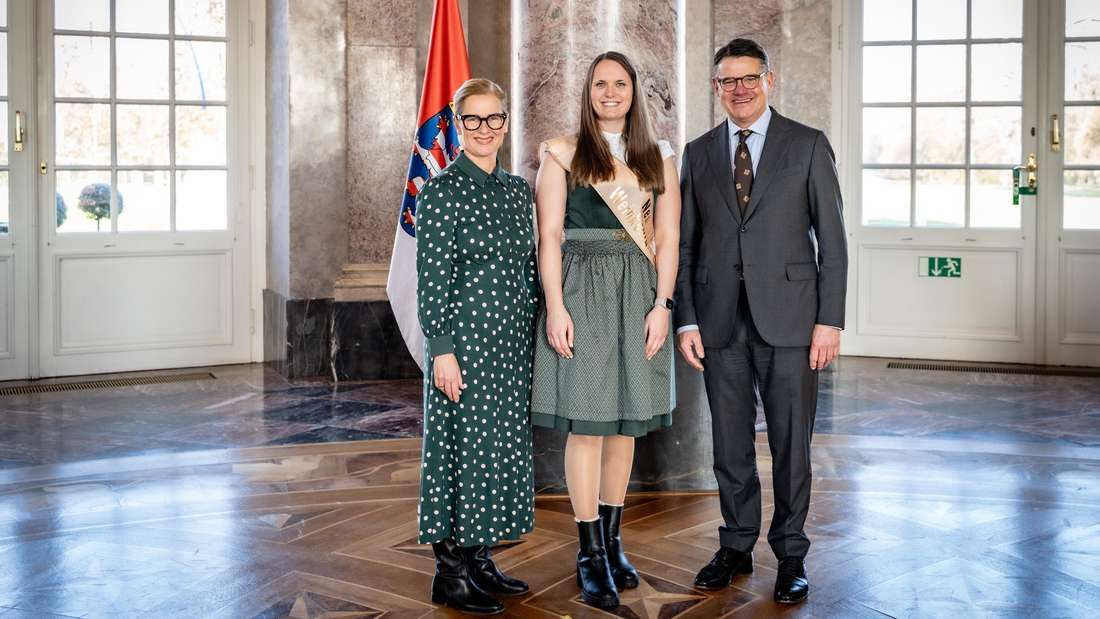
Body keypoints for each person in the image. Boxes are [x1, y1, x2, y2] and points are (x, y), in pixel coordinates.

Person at [675, 38, 847, 605]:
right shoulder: (698, 152)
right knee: (729, 445)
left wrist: (829, 320)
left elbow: (833, 241)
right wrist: (687, 320)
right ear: (716, 88)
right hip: (719, 321)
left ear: (769, 80)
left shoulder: (808, 144)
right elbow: (687, 245)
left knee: (791, 445)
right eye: (728, 80)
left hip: (793, 321)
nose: (740, 89)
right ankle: (736, 544)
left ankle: (791, 553)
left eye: (750, 78)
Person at [531, 51, 681, 609]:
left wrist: (662, 305)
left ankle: (615, 544)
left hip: (638, 292)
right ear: (588, 91)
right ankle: (589, 552)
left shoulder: (658, 156)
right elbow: (549, 236)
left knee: (624, 426)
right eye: (600, 83)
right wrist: (555, 305)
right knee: (589, 425)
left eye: (620, 83)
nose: (610, 92)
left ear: (634, 91)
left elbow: (668, 237)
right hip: (582, 290)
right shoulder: (563, 154)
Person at [415, 78, 537, 615]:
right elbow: (431, 278)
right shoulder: (441, 191)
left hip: (510, 347)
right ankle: (450, 573)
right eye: (472, 119)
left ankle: (480, 558)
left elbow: (527, 270)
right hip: (462, 347)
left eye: (494, 118)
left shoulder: (517, 190)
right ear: (457, 126)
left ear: (506, 123)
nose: (484, 129)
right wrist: (441, 349)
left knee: (495, 451)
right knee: (459, 450)